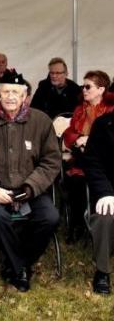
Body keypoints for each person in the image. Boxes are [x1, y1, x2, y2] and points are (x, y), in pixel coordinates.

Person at [0, 70, 61, 292]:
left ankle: (17, 264)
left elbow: (51, 161)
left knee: (50, 218)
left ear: (24, 96)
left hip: (30, 188)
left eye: (15, 92)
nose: (10, 96)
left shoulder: (41, 121)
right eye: (5, 92)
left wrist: (30, 187)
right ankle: (21, 269)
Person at [62, 71, 114, 243]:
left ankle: (99, 225)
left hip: (105, 161)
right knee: (75, 184)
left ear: (101, 89)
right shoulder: (80, 109)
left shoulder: (110, 110)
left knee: (90, 177)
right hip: (81, 158)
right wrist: (78, 139)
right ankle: (77, 225)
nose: (83, 90)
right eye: (82, 86)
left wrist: (89, 140)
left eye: (87, 86)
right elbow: (69, 133)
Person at [83, 109, 114, 294]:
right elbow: (92, 162)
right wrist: (106, 192)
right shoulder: (103, 124)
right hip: (109, 191)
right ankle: (102, 271)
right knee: (105, 215)